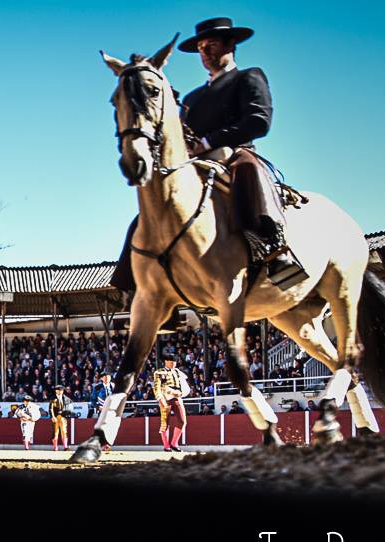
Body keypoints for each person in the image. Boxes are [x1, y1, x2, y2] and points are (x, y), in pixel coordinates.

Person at [111, 16, 303, 298]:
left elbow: (259, 121)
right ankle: (141, 285)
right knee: (153, 206)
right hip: (193, 162)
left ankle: (275, 251)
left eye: (211, 45)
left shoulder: (249, 77)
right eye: (201, 48)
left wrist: (209, 140)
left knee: (250, 170)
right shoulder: (192, 97)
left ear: (230, 45)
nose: (205, 52)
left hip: (234, 152)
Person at [153, 352, 191, 452]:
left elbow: (184, 385)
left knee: (182, 421)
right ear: (166, 361)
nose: (173, 363)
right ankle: (166, 446)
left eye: (174, 361)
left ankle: (174, 443)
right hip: (165, 399)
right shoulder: (159, 372)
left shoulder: (178, 372)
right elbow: (156, 388)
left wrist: (181, 393)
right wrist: (160, 399)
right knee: (165, 423)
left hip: (177, 398)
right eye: (171, 361)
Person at [48, 385, 69, 451]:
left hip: (63, 417)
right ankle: (55, 447)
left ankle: (65, 447)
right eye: (58, 390)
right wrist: (53, 416)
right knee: (55, 432)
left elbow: (68, 407)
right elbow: (51, 408)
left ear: (63, 391)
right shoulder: (53, 398)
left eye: (61, 390)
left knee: (64, 431)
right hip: (56, 417)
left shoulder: (65, 398)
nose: (60, 392)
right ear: (56, 391)